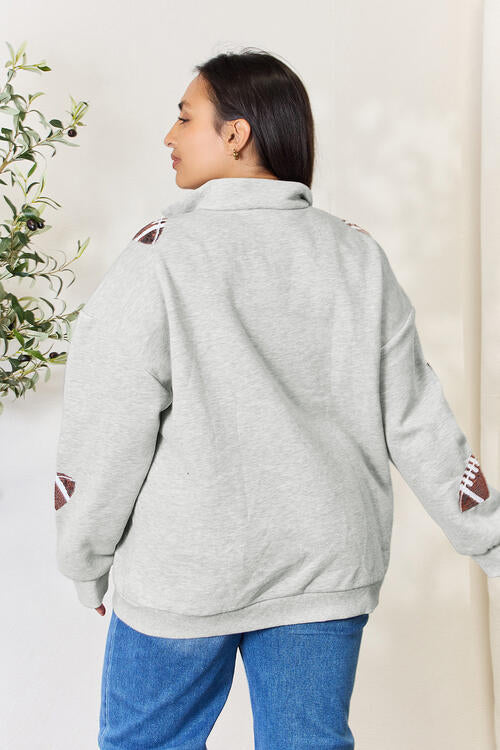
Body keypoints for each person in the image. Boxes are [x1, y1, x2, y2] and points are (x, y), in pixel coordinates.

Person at [53, 48, 500, 750]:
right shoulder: (355, 256)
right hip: (325, 570)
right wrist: (490, 538)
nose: (169, 136)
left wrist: (86, 559)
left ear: (236, 134)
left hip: (184, 576)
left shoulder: (162, 256)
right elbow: (417, 419)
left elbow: (106, 427)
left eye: (184, 117)